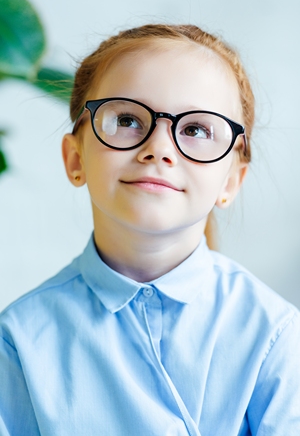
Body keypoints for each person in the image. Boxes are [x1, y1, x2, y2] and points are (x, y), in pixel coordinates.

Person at [0, 24, 299, 436]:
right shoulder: (18, 339)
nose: (159, 147)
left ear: (231, 181)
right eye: (127, 119)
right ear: (75, 159)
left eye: (196, 130)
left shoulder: (273, 334)